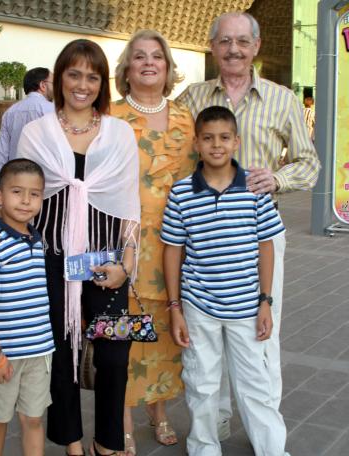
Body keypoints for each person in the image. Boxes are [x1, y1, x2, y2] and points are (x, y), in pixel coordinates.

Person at [0, 39, 140, 456]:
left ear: (103, 84)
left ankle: (107, 441)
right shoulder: (36, 132)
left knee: (114, 358)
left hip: (105, 265)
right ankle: (72, 441)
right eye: (74, 74)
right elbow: (16, 193)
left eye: (93, 77)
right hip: (49, 263)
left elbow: (129, 204)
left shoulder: (119, 133)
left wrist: (128, 263)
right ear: (59, 77)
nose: (83, 84)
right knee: (59, 355)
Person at [176, 11, 321, 435]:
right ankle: (216, 419)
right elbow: (173, 158)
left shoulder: (283, 99)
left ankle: (264, 428)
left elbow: (309, 162)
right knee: (207, 335)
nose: (233, 49)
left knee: (261, 332)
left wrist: (276, 178)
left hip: (259, 236)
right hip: (203, 235)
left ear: (256, 46)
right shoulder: (192, 98)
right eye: (224, 41)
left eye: (242, 41)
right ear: (213, 46)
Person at [161, 106, 290, 456]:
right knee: (201, 383)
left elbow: (266, 247)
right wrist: (175, 307)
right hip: (199, 305)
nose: (216, 145)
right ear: (196, 143)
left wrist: (266, 301)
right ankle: (204, 447)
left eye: (223, 138)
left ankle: (272, 448)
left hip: (247, 306)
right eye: (207, 138)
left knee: (255, 384)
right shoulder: (182, 192)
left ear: (236, 141)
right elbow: (173, 250)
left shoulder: (254, 188)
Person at [111, 29, 197, 454]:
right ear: (126, 69)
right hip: (122, 244)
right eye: (139, 56)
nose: (148, 62)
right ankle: (121, 420)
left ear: (168, 69)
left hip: (174, 245)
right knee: (122, 332)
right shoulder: (109, 117)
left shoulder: (186, 118)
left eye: (157, 57)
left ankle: (158, 410)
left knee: (164, 329)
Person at [0, 158, 55, 456]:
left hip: (40, 351)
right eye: (17, 192)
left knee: (33, 418)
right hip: (4, 353)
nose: (26, 201)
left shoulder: (37, 238)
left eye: (34, 194)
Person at [0, 67, 54, 204]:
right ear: (43, 85)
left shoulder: (10, 112)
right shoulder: (51, 110)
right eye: (54, 83)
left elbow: (2, 151)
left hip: (16, 181)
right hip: (46, 182)